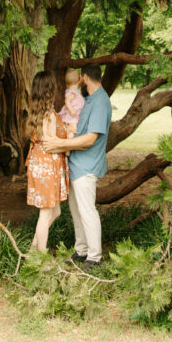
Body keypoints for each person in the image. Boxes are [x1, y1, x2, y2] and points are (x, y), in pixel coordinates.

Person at [43, 63, 112, 268]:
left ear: (83, 77)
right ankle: (81, 251)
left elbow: (90, 139)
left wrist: (59, 144)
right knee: (76, 211)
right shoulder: (89, 99)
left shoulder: (100, 102)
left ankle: (94, 257)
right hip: (76, 164)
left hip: (87, 166)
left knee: (87, 210)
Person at [26, 69, 69, 253]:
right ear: (50, 90)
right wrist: (69, 144)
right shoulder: (49, 115)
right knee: (46, 214)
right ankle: (40, 258)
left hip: (39, 163)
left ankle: (33, 248)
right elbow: (51, 144)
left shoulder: (37, 112)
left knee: (55, 211)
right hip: (47, 166)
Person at [58, 68, 85, 137]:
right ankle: (69, 145)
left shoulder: (73, 91)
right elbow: (67, 101)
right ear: (79, 80)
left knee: (72, 131)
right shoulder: (73, 91)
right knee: (73, 131)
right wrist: (72, 110)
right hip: (72, 117)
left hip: (74, 116)